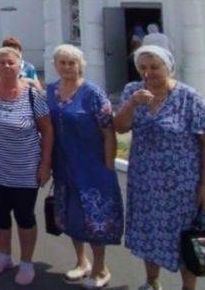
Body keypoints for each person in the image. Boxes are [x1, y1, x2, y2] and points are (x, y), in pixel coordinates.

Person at [115, 45, 205, 290]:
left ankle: (188, 288)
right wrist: (131, 104)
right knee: (150, 233)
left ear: (168, 68)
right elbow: (119, 127)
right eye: (143, 68)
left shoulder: (189, 98)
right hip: (145, 181)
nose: (148, 73)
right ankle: (152, 282)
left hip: (181, 185)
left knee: (186, 238)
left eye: (154, 67)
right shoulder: (133, 90)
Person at [0, 46, 53, 286]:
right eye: (2, 63)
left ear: (20, 66)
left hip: (24, 169)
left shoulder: (32, 96)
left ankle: (26, 262)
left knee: (25, 216)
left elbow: (47, 130)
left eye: (11, 63)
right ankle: (5, 255)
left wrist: (45, 164)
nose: (7, 67)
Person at [47, 44, 123, 289]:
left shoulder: (92, 93)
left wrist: (108, 165)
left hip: (93, 166)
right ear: (56, 66)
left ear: (80, 65)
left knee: (95, 217)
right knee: (70, 213)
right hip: (63, 165)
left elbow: (109, 132)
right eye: (62, 63)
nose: (67, 67)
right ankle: (82, 261)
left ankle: (101, 267)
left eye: (72, 63)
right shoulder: (50, 91)